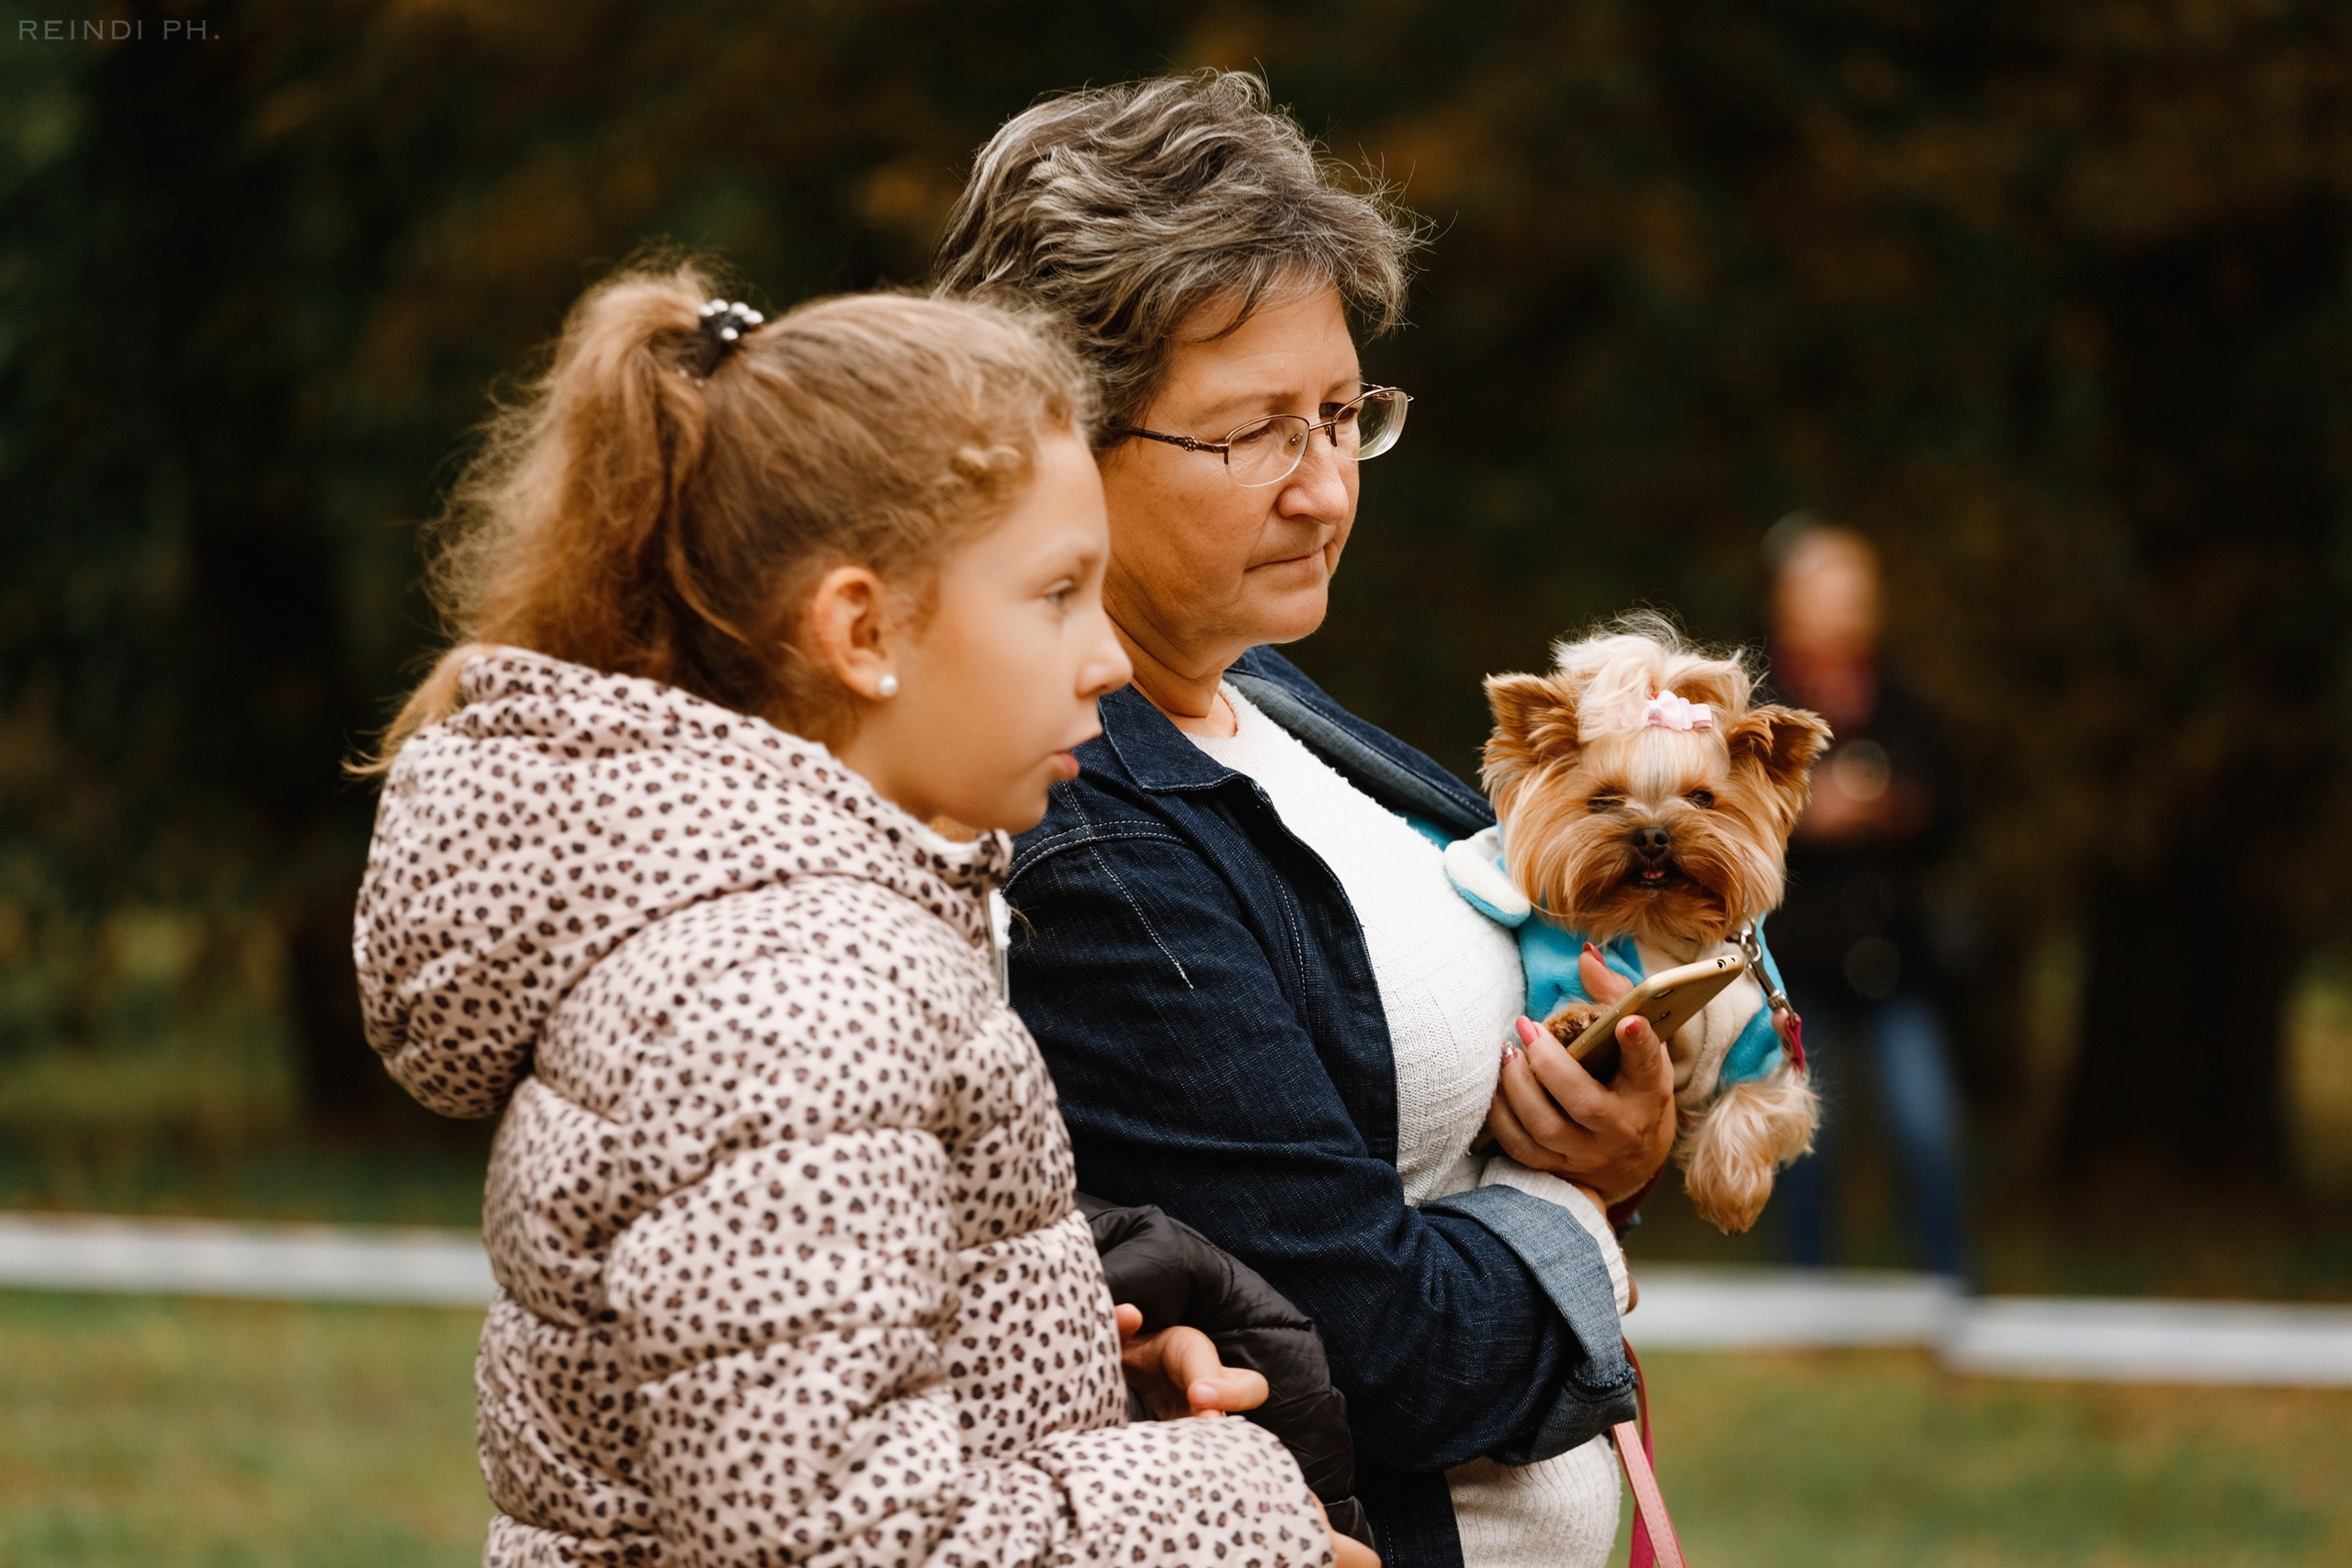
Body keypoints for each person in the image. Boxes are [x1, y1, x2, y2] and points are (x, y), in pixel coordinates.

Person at [350, 264, 1373, 1568]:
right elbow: (833, 1540)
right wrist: (1223, 1510)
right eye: (1058, 592)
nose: (1108, 655)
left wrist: (1066, 1395)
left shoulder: (797, 934)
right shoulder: (792, 996)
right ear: (863, 626)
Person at [938, 73, 1679, 1568]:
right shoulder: (1077, 826)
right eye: (1256, 433)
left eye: (1346, 414)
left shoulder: (1269, 696)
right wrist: (1580, 1231)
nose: (1327, 486)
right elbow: (1370, 1346)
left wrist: (1615, 1123)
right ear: (1055, 437)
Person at [1762, 519, 1973, 1280]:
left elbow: (1952, 812)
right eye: (1830, 593)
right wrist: (1807, 813)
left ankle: (1953, 1291)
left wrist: (1898, 806)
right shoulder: (1761, 705)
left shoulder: (1906, 703)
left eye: (1858, 593)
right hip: (1800, 963)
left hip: (1897, 959)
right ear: (1789, 604)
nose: (1848, 609)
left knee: (1927, 1126)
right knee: (1806, 1136)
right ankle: (1809, 1296)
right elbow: (1726, 822)